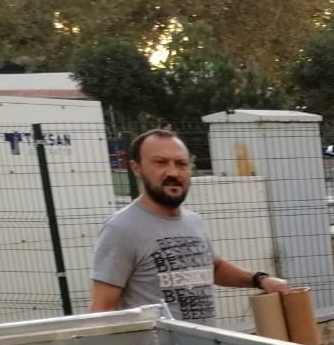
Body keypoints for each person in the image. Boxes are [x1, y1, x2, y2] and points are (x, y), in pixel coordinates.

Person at [89, 129, 290, 319]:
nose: (173, 172)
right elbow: (102, 310)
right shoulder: (121, 229)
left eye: (181, 164)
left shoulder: (193, 221)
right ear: (137, 169)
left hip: (204, 343)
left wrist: (260, 279)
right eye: (160, 162)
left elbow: (213, 267)